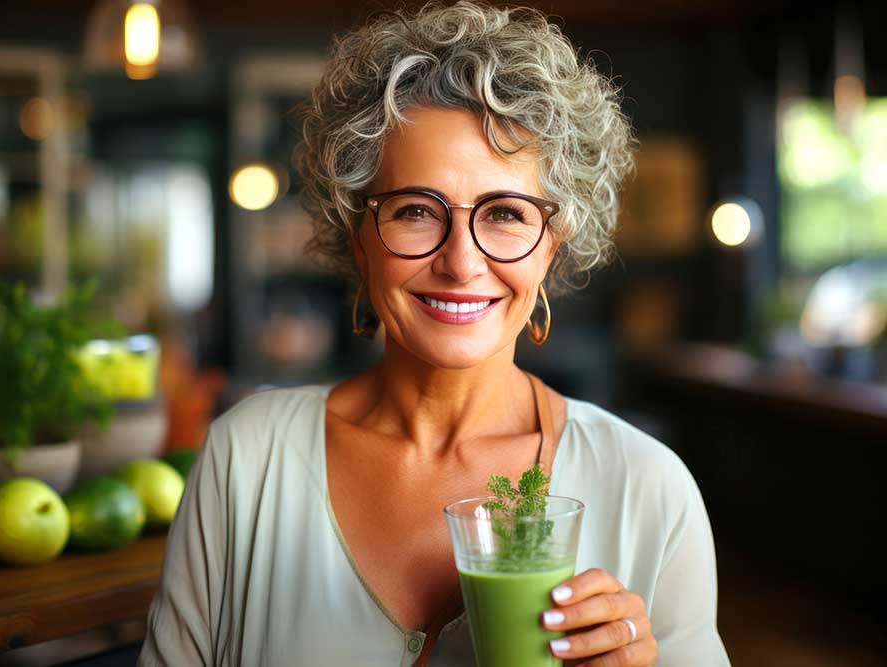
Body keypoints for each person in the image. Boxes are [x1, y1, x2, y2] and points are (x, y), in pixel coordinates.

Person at [137, 2, 731, 666]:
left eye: (506, 213)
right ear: (357, 238)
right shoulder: (246, 461)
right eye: (417, 210)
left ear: (551, 251)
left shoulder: (648, 488)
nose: (461, 262)